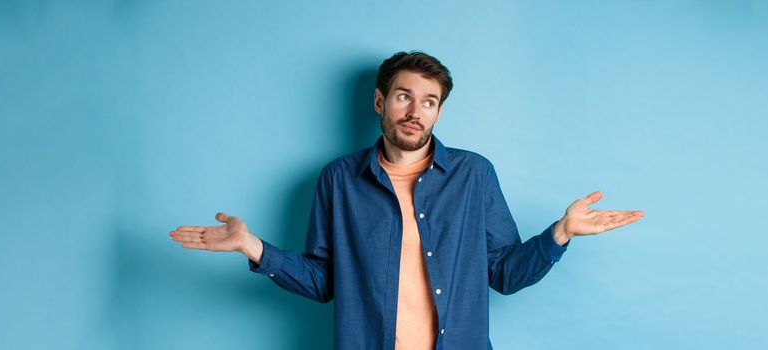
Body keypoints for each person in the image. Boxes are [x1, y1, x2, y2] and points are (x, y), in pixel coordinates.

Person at [169, 51, 644, 350]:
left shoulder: (473, 175)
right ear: (380, 102)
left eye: (429, 101)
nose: (415, 112)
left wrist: (560, 234)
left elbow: (504, 274)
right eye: (403, 97)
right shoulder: (338, 179)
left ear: (439, 110)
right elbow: (323, 280)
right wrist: (252, 246)